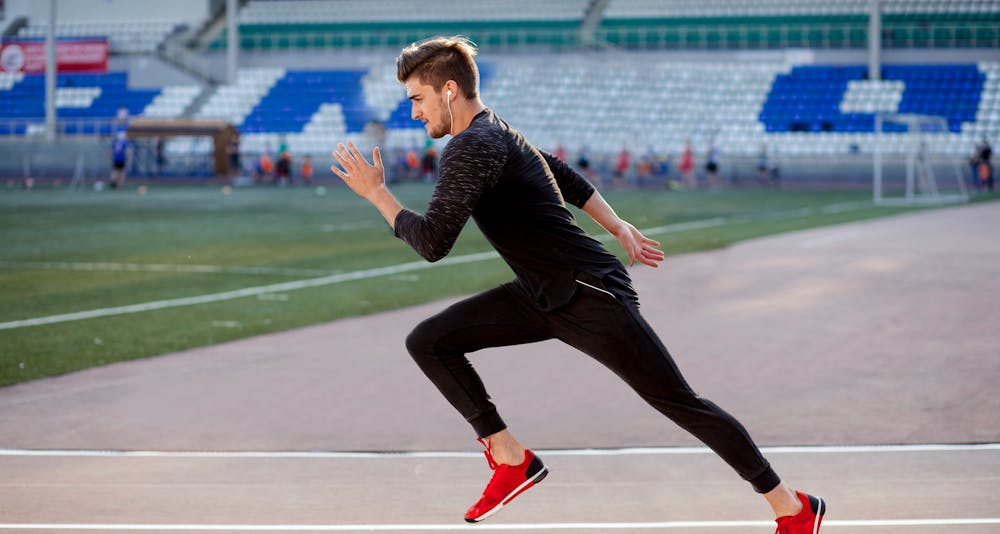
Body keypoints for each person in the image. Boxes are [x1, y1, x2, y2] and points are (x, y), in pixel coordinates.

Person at [330, 36, 825, 533]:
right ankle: (511, 459)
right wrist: (618, 226)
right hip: (543, 292)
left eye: (417, 98)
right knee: (430, 341)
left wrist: (378, 195)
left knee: (678, 401)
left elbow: (434, 242)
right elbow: (561, 173)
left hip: (589, 293)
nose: (414, 112)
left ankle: (792, 507)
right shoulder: (495, 130)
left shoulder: (472, 145)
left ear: (449, 90)